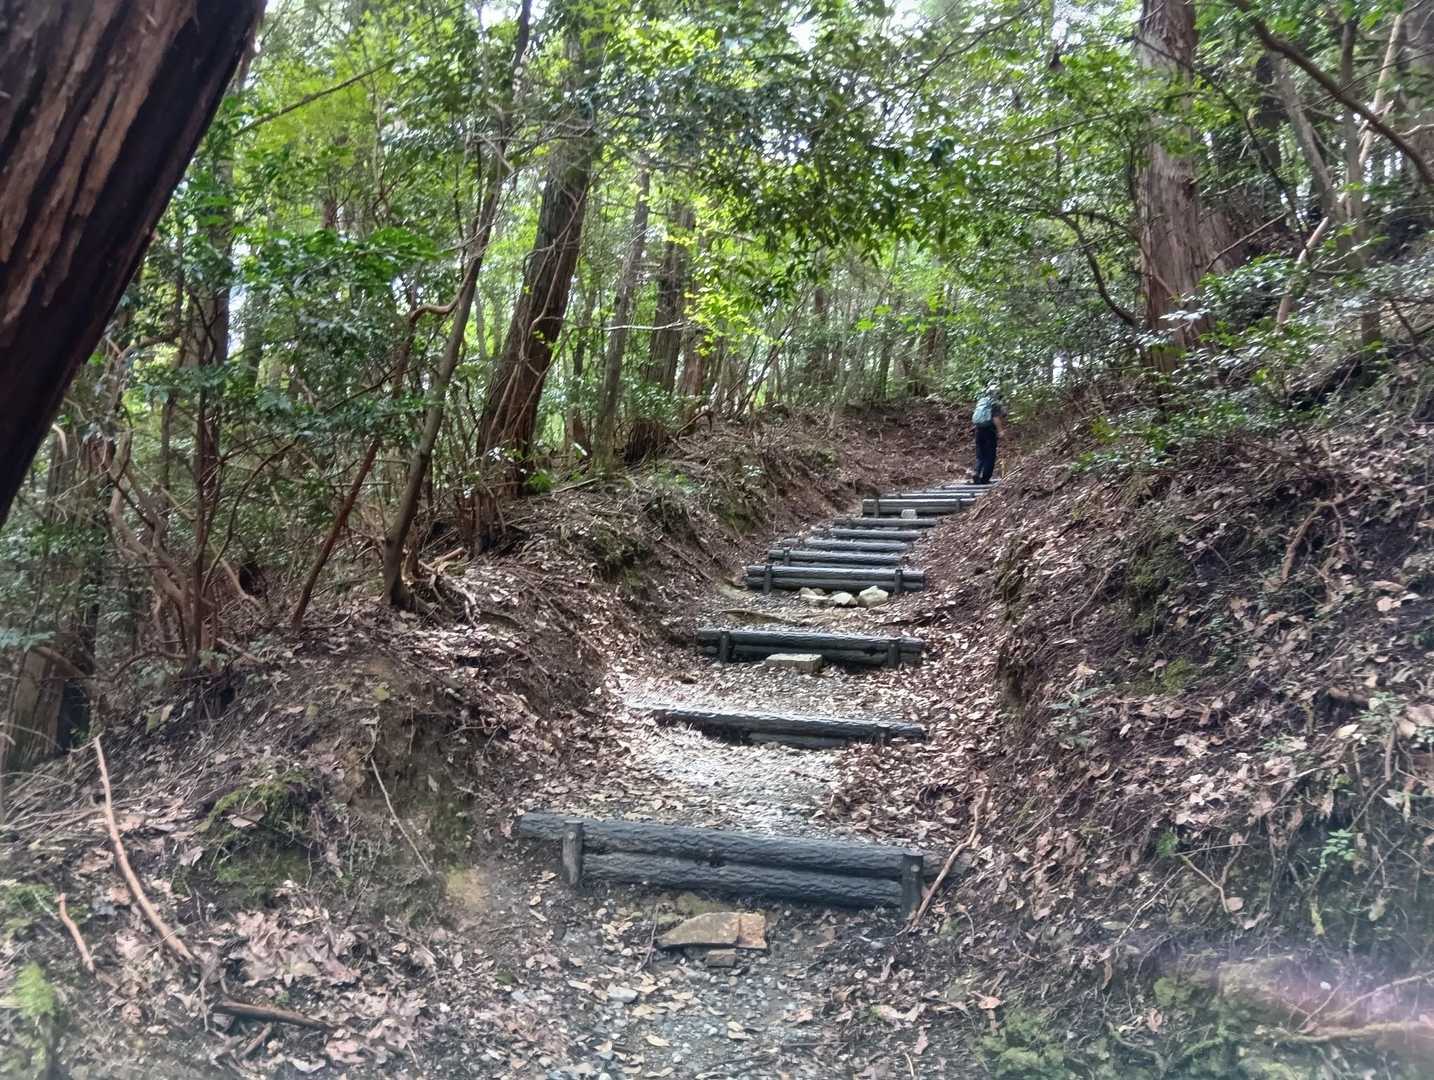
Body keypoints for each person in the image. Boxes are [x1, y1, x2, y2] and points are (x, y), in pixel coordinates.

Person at [969, 384, 1007, 484]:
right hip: (989, 431)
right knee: (990, 455)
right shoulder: (995, 403)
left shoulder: (982, 401)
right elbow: (996, 418)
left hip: (979, 430)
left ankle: (976, 473)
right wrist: (1000, 431)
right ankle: (985, 478)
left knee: (980, 454)